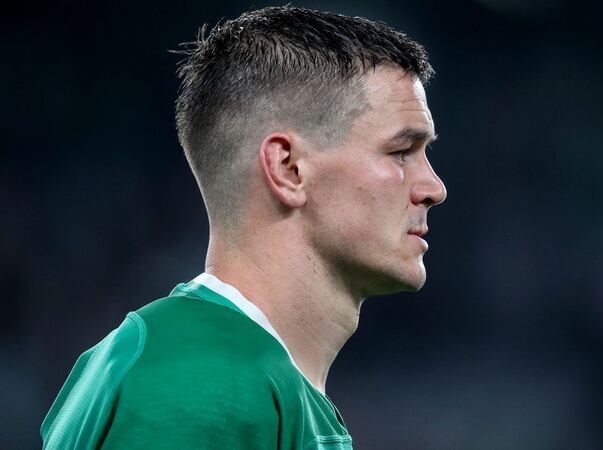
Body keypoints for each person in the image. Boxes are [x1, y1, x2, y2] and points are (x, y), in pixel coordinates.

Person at [40, 5, 446, 449]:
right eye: (401, 151)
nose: (434, 187)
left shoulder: (228, 372)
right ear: (289, 169)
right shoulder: (204, 382)